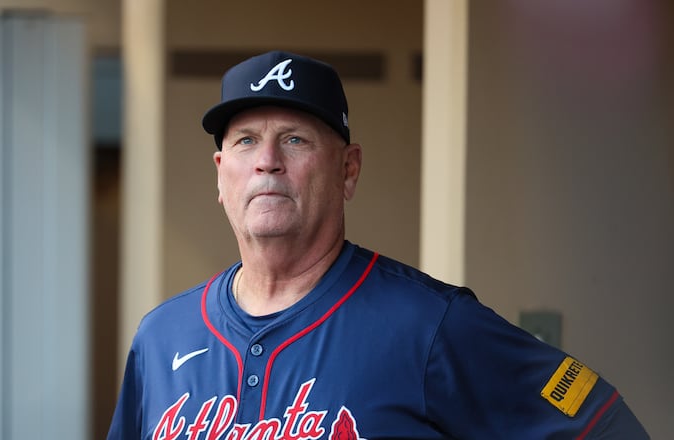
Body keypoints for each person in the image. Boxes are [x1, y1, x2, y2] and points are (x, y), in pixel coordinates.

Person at [107, 50, 648, 439]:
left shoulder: (431, 326)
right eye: (246, 141)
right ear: (221, 175)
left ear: (349, 169)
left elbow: (604, 426)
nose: (267, 161)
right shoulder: (161, 337)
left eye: (295, 140)